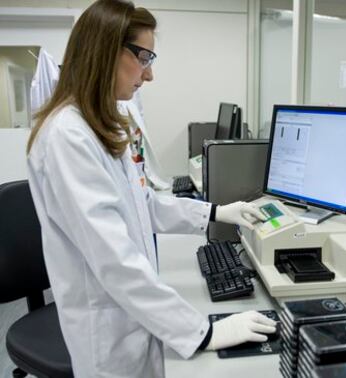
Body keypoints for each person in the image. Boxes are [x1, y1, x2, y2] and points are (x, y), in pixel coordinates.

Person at [26, 1, 276, 377]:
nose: (150, 75)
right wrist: (203, 332)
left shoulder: (99, 123)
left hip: (133, 318)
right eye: (144, 57)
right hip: (108, 336)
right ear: (106, 51)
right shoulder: (67, 136)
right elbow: (114, 260)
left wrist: (215, 212)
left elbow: (142, 204)